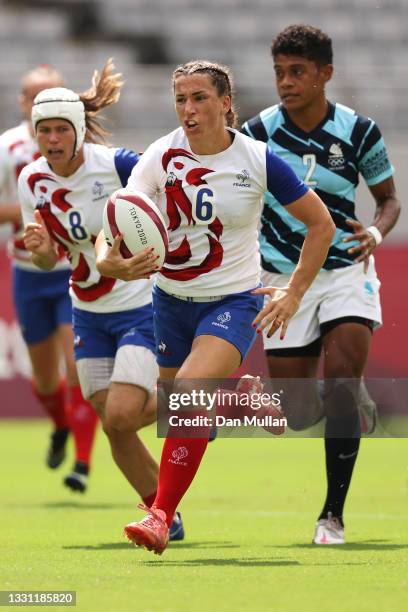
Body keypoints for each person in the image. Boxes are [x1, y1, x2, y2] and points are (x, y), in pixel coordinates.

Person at [96, 59, 335, 555]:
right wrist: (109, 262)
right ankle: (238, 400)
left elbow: (321, 224)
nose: (189, 109)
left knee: (185, 400)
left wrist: (293, 292)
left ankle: (160, 515)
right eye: (181, 99)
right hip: (169, 301)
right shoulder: (160, 156)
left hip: (232, 301)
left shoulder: (258, 159)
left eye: (200, 98)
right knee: (179, 409)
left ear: (226, 103)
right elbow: (116, 219)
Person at [241, 24, 400, 544]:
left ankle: (331, 515)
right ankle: (321, 400)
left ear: (324, 74)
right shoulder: (256, 134)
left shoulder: (360, 132)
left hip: (344, 271)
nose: (286, 83)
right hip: (282, 277)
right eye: (280, 73)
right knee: (299, 410)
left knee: (340, 381)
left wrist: (376, 230)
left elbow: (389, 199)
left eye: (297, 72)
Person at [19, 59, 184, 540]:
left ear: (77, 130)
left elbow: (164, 199)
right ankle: (163, 516)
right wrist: (42, 252)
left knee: (119, 415)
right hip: (87, 311)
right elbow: (54, 257)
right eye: (43, 130)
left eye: (60, 130)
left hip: (137, 305)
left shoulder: (116, 164)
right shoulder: (32, 179)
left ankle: (207, 403)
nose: (52, 139)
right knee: (114, 425)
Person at [0, 64, 98, 492]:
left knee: (78, 367)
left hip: (70, 270)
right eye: (36, 97)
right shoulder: (8, 148)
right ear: (24, 103)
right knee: (44, 379)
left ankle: (82, 461)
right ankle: (60, 426)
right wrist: (32, 212)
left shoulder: (83, 147)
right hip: (27, 270)